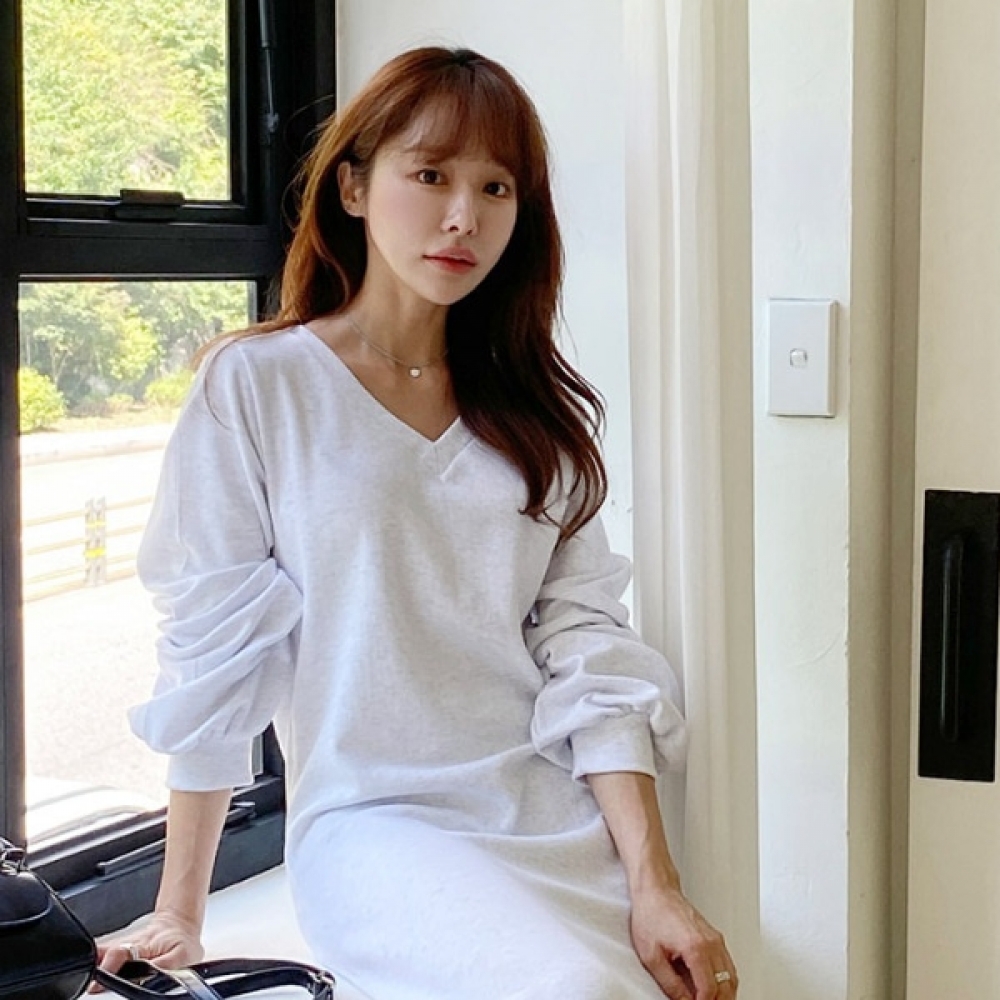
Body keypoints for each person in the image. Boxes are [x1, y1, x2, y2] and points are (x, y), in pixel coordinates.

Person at [97, 46, 739, 1000]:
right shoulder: (259, 386)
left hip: (549, 817)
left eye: (495, 187)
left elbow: (588, 651)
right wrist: (181, 910)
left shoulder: (538, 416)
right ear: (354, 187)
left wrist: (657, 885)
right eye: (431, 175)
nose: (463, 216)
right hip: (372, 822)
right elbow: (214, 648)